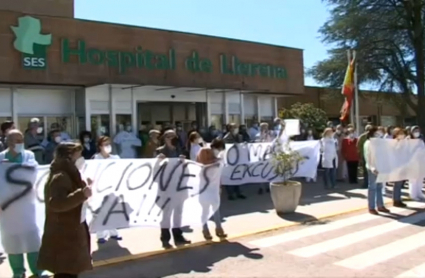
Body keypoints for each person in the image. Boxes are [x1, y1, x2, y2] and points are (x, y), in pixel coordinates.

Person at [38, 142, 93, 278]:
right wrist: (81, 194)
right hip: (64, 235)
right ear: (69, 156)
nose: (81, 158)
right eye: (78, 154)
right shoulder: (61, 176)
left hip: (70, 232)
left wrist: (84, 186)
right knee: (65, 272)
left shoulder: (69, 173)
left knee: (69, 271)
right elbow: (56, 203)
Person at [0, 129, 45, 278]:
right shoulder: (0, 158)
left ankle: (37, 270)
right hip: (7, 208)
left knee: (32, 239)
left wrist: (13, 167)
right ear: (7, 141)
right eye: (14, 140)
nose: (18, 143)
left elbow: (31, 173)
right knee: (12, 242)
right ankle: (18, 271)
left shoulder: (29, 155)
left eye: (20, 140)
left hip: (26, 207)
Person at [156, 130, 191, 248]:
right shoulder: (159, 151)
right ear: (165, 138)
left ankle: (178, 236)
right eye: (169, 136)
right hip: (166, 188)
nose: (172, 138)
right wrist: (158, 162)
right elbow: (154, 170)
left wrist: (183, 163)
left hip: (179, 186)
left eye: (174, 136)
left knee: (178, 213)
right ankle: (165, 238)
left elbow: (186, 168)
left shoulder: (179, 150)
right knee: (166, 214)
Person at [92, 136, 123, 243]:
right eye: (105, 144)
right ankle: (100, 235)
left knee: (112, 211)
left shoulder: (115, 158)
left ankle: (113, 232)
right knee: (101, 211)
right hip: (100, 189)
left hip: (113, 188)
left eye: (109, 144)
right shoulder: (96, 158)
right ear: (100, 146)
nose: (108, 146)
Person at [196, 138, 227, 240]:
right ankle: (205, 230)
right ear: (214, 146)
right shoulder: (204, 151)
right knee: (205, 209)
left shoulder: (218, 156)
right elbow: (203, 163)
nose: (219, 151)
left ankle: (219, 228)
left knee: (216, 207)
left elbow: (218, 173)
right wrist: (215, 161)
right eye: (219, 149)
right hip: (204, 185)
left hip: (214, 186)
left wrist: (220, 185)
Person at [363, 126, 390, 215]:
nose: (379, 134)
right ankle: (371, 207)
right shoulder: (368, 143)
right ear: (372, 133)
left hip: (380, 167)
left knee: (379, 187)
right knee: (372, 187)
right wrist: (372, 167)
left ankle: (380, 205)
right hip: (372, 168)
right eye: (377, 133)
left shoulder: (380, 143)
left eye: (380, 132)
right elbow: (368, 156)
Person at [222, 123, 246, 200]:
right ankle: (230, 194)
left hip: (238, 159)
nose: (236, 129)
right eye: (234, 127)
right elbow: (225, 147)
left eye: (236, 127)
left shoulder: (240, 136)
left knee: (238, 176)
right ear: (230, 129)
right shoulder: (227, 137)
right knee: (230, 176)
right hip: (230, 160)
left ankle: (238, 192)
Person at [391, 128, 408, 207]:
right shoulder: (394, 142)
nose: (402, 135)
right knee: (397, 184)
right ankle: (396, 200)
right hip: (396, 165)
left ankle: (398, 199)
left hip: (402, 164)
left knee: (400, 183)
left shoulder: (402, 142)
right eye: (400, 133)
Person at [407, 126, 425, 201]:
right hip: (412, 162)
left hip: (421, 161)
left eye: (418, 130)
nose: (417, 132)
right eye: (415, 131)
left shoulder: (421, 139)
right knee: (413, 179)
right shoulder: (408, 140)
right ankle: (413, 195)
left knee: (420, 178)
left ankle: (419, 193)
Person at [357, 124, 372, 188]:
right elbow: (358, 146)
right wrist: (361, 155)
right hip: (365, 156)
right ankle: (365, 183)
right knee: (365, 171)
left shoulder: (373, 136)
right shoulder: (362, 137)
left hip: (372, 156)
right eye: (368, 129)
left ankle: (371, 183)